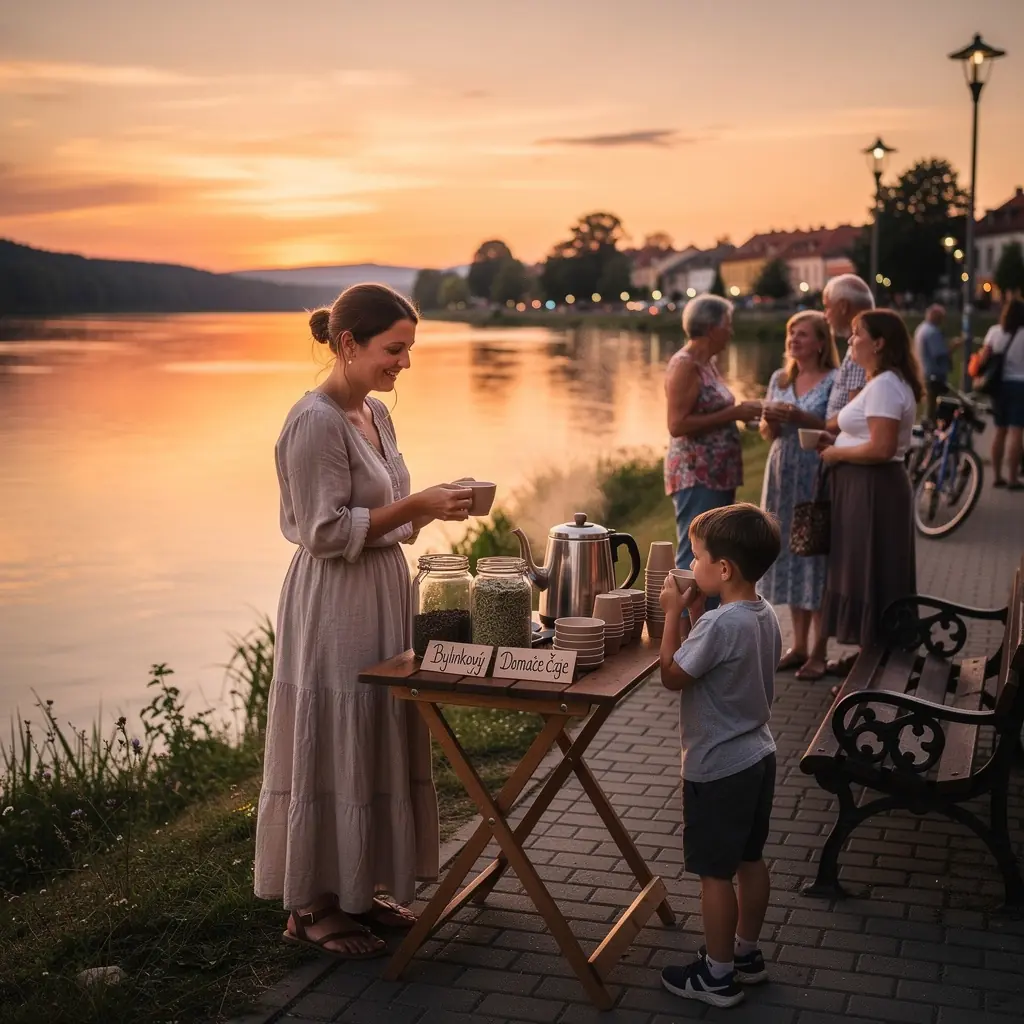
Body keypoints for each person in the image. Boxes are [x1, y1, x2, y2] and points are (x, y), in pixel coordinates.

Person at [255, 284, 475, 959]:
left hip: (380, 589)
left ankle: (358, 886)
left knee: (378, 725)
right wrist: (421, 504)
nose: (404, 362)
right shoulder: (313, 420)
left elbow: (385, 509)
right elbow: (322, 531)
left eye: (408, 349)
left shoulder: (375, 413)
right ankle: (309, 906)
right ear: (348, 345)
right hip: (334, 600)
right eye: (394, 349)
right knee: (337, 727)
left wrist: (433, 506)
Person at [657, 503, 782, 1008]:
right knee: (749, 859)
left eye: (698, 556)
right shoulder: (760, 613)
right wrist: (692, 613)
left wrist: (669, 614)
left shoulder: (719, 626)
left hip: (718, 767)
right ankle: (746, 954)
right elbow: (709, 660)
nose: (693, 563)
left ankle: (716, 975)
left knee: (714, 873)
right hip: (758, 756)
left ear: (723, 569)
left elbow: (671, 674)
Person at [818, 310, 922, 665]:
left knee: (872, 569)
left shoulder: (886, 386)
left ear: (878, 343)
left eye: (856, 334)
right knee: (868, 568)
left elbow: (882, 448)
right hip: (865, 489)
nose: (850, 341)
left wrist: (835, 452)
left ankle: (875, 660)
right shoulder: (881, 383)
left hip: (874, 490)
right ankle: (869, 651)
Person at [758, 311, 838, 681]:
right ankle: (799, 644)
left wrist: (801, 416)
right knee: (788, 556)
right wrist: (770, 420)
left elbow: (835, 427)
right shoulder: (780, 377)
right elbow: (766, 433)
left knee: (814, 557)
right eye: (791, 333)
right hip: (780, 474)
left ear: (821, 342)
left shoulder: (834, 380)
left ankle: (820, 651)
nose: (793, 339)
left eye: (802, 334)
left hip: (814, 475)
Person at [664, 294, 764, 574]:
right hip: (697, 474)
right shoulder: (685, 365)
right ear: (710, 328)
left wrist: (745, 415)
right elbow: (677, 425)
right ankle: (685, 617)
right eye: (727, 325)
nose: (731, 331)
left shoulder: (707, 362)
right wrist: (733, 414)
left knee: (715, 551)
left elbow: (712, 411)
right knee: (695, 554)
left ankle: (707, 617)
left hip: (717, 474)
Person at [976, 298, 1024, 490]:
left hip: (999, 386)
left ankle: (996, 476)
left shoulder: (995, 331)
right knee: (1016, 432)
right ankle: (1013, 478)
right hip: (1020, 385)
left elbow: (983, 359)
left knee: (999, 431)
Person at [822, 274, 875, 430]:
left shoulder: (861, 348)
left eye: (827, 307)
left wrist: (819, 426)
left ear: (843, 306)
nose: (825, 316)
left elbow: (854, 413)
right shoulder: (864, 341)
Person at [914, 304, 960, 421]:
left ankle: (928, 428)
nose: (942, 321)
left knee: (930, 405)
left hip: (924, 372)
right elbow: (939, 354)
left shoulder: (921, 329)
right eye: (941, 317)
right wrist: (953, 346)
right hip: (934, 375)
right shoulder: (932, 332)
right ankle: (930, 430)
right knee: (936, 407)